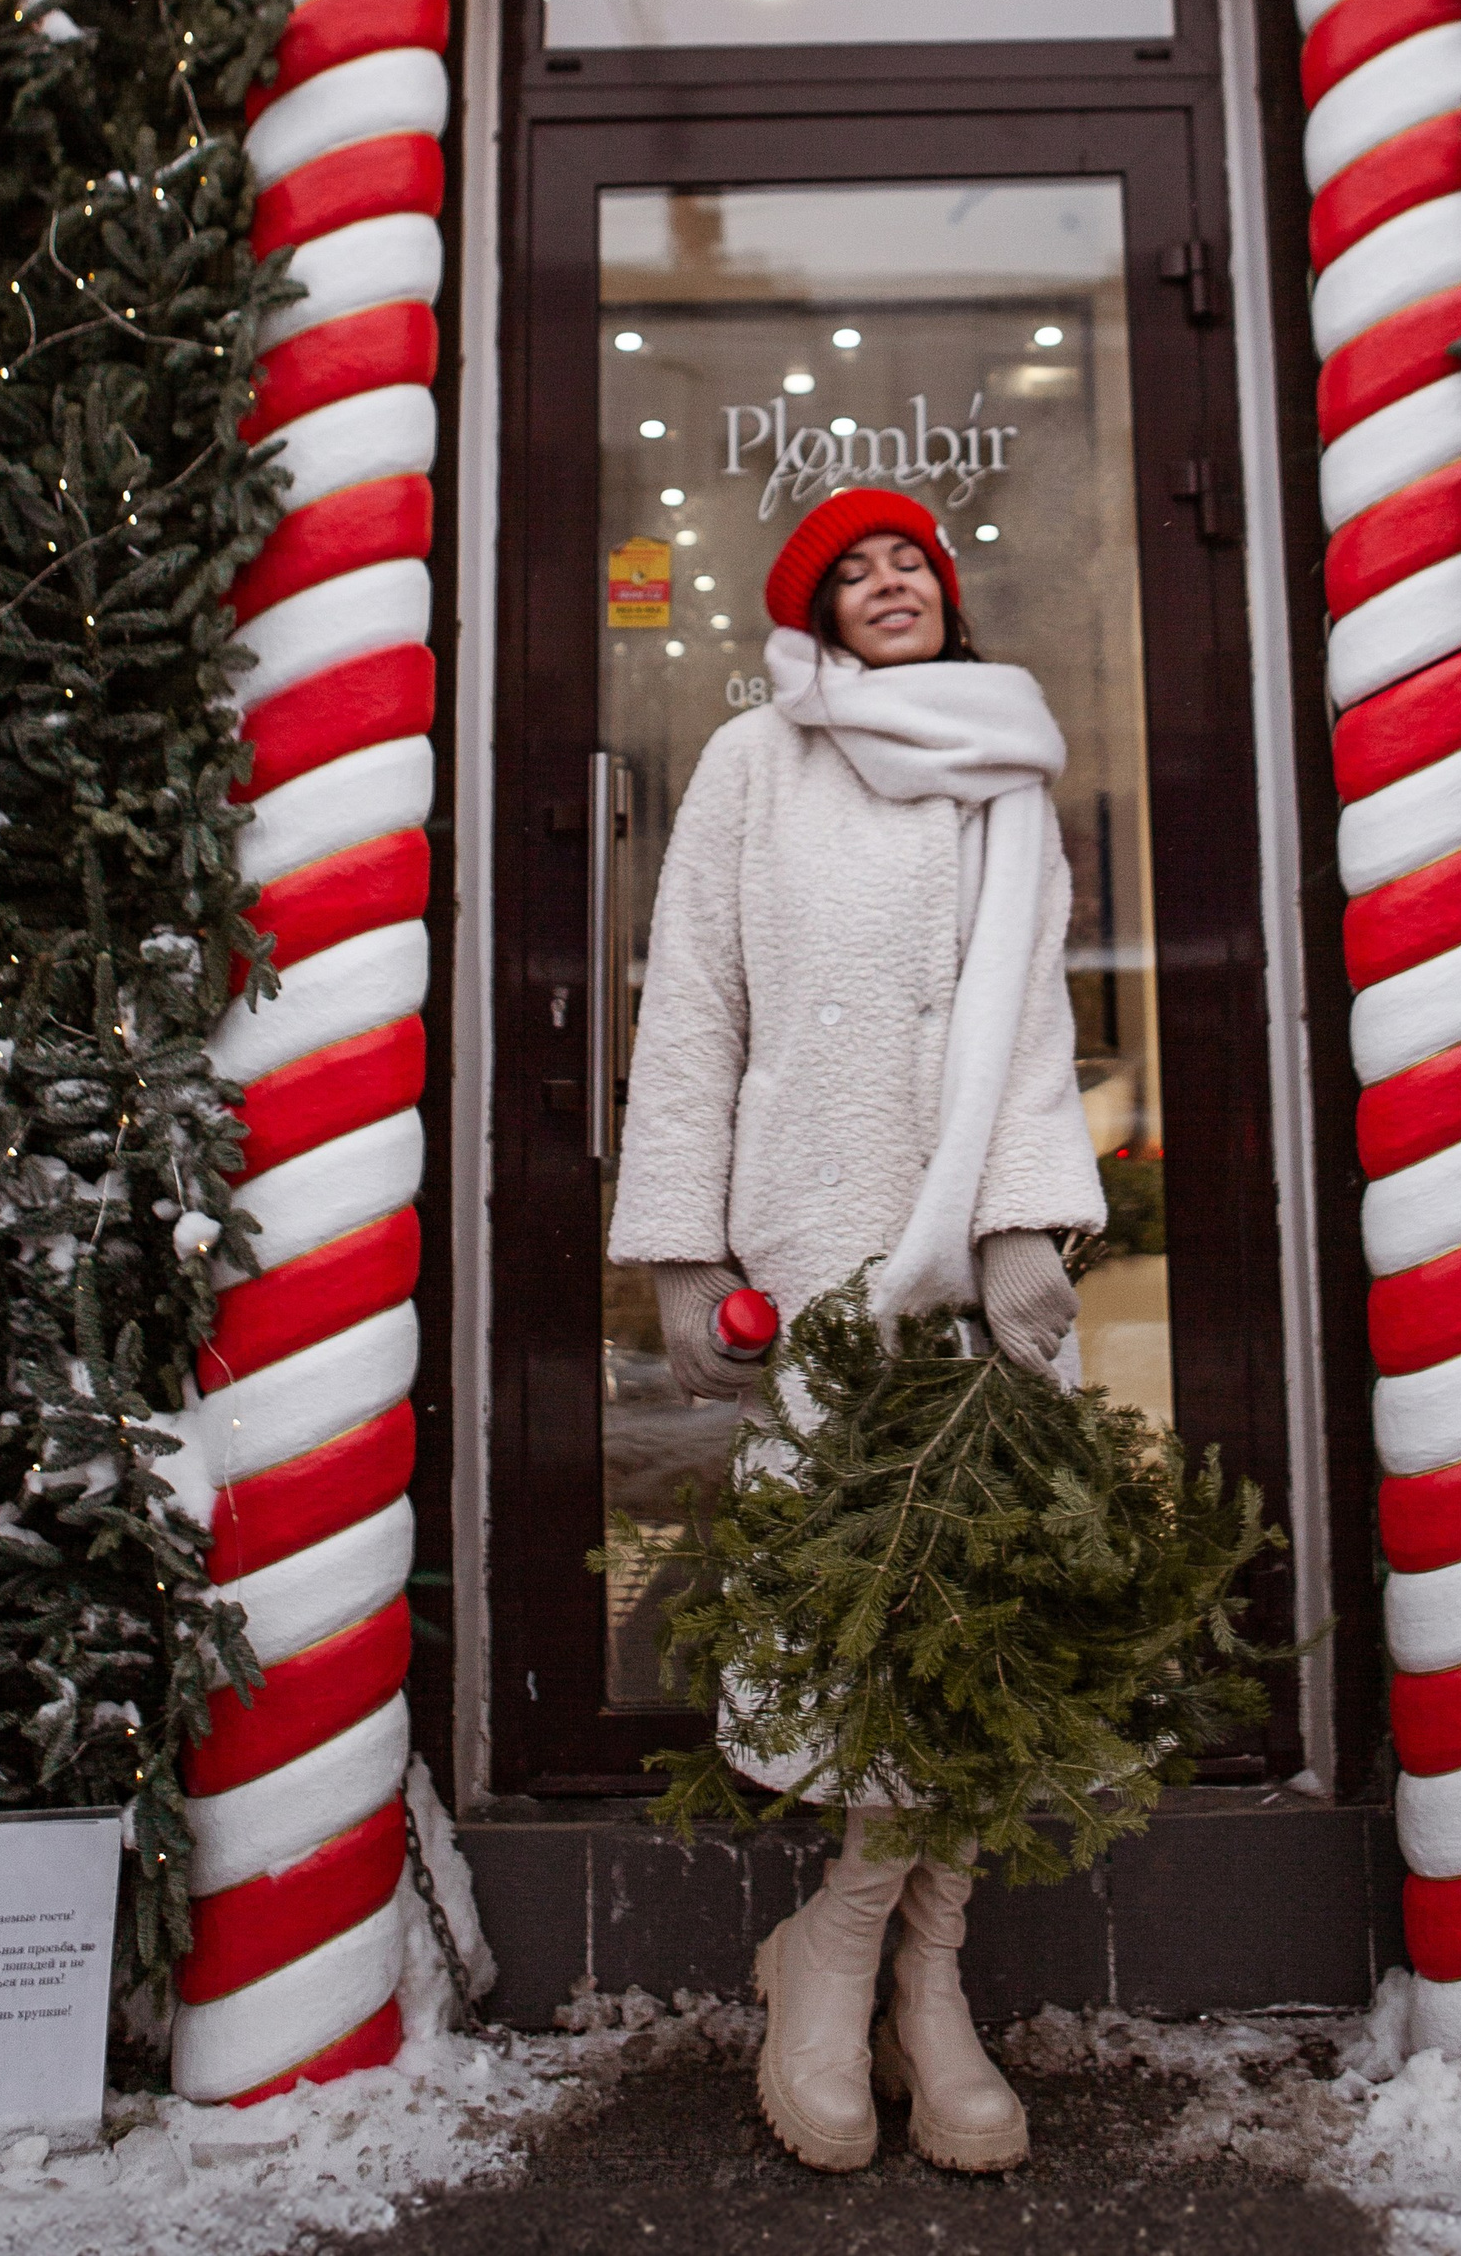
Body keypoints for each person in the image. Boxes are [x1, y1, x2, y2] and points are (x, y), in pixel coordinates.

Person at [606, 484, 1105, 2178]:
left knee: (984, 1612)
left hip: (983, 1255)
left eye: (912, 563)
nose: (888, 581)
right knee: (867, 1605)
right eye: (854, 569)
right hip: (820, 1241)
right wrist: (680, 1248)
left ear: (949, 602)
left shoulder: (1009, 771)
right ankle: (856, 1960)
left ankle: (897, 1962)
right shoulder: (758, 763)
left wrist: (1031, 1217)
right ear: (817, 614)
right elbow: (689, 1005)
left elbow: (1030, 1010)